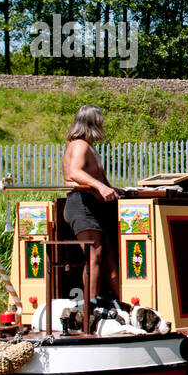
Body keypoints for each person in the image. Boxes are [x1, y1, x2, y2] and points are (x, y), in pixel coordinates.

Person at [61, 105, 119, 300]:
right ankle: (92, 309)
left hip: (93, 205)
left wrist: (113, 189)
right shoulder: (79, 145)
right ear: (93, 123)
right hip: (81, 204)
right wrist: (101, 188)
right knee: (94, 256)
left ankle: (123, 302)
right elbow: (75, 173)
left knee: (108, 258)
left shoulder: (89, 146)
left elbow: (99, 178)